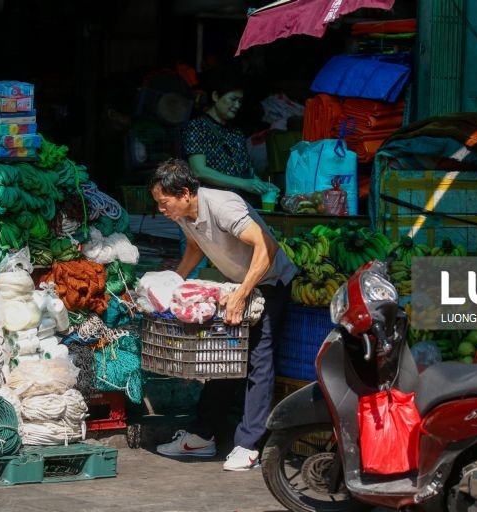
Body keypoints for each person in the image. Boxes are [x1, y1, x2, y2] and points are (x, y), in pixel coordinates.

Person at [149, 159, 297, 471]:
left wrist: (242, 294)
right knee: (222, 356)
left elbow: (267, 246)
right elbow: (194, 247)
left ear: (186, 193)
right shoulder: (184, 214)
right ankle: (203, 436)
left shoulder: (223, 206)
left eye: (164, 203)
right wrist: (171, 285)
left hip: (269, 282)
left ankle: (249, 444)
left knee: (259, 359)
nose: (161, 210)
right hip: (236, 285)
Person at [181, 68, 275, 208]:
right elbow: (199, 171)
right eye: (233, 99)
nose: (237, 105)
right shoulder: (197, 127)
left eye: (240, 101)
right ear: (215, 96)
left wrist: (263, 186)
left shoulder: (236, 133)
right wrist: (244, 183)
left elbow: (247, 172)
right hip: (209, 206)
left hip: (239, 206)